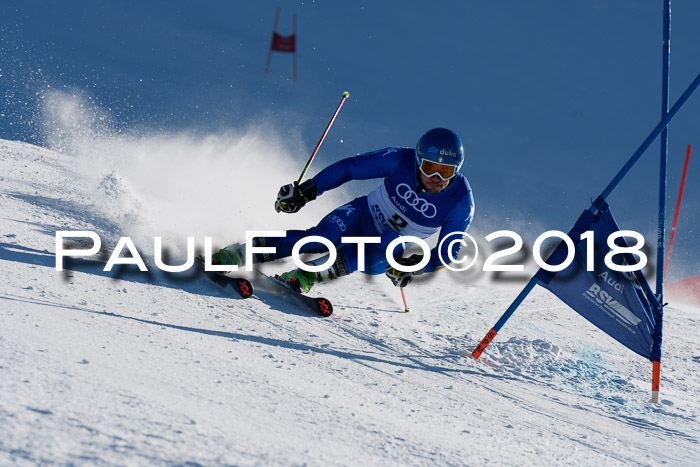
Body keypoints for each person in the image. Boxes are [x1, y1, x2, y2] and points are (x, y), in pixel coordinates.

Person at [212, 127, 475, 293]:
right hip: (363, 215)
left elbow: (448, 251)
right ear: (418, 161)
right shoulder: (400, 159)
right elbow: (351, 167)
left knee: (388, 243)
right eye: (430, 167)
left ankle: (307, 274)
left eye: (446, 171)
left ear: (457, 170)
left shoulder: (461, 200)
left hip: (389, 247)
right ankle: (238, 252)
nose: (437, 178)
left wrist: (416, 266)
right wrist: (309, 191)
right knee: (320, 240)